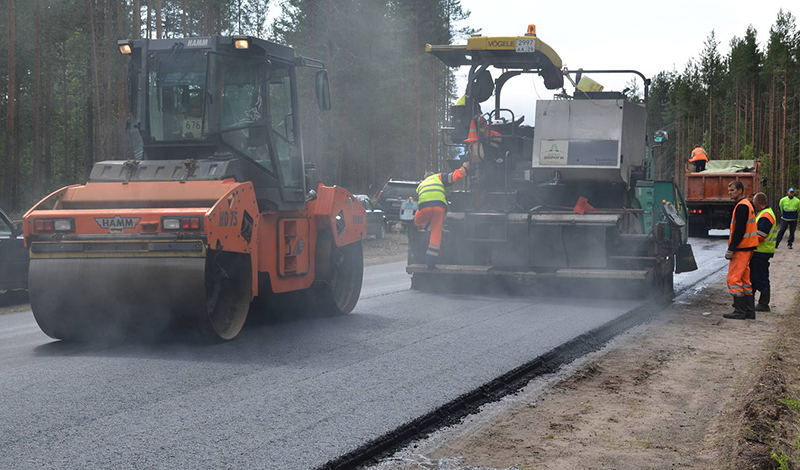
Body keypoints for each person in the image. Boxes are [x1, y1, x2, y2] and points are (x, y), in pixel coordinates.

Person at [414, 161, 471, 269]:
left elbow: (420, 200)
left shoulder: (421, 185)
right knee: (436, 235)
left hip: (424, 207)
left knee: (418, 221)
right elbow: (454, 177)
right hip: (439, 208)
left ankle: (429, 227)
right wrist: (465, 168)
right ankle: (430, 263)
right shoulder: (439, 177)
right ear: (433, 175)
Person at [723, 181, 759, 320]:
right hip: (747, 247)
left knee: (733, 279)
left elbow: (739, 230)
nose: (729, 192)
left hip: (741, 248)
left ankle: (739, 311)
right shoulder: (747, 204)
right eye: (729, 190)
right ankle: (749, 311)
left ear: (740, 190)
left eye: (732, 190)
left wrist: (731, 249)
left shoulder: (741, 206)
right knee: (745, 280)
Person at [750, 192, 777, 312]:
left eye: (754, 201)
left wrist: (747, 241)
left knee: (761, 277)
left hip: (762, 250)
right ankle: (754, 301)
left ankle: (764, 303)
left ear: (757, 202)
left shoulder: (766, 215)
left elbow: (761, 235)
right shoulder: (763, 213)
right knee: (754, 276)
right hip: (761, 250)